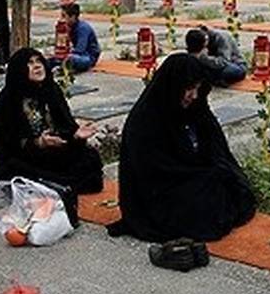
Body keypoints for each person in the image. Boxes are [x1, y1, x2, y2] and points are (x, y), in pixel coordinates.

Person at [109, 53, 256, 242]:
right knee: (205, 204)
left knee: (233, 185)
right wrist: (200, 174)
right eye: (189, 89)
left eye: (197, 88)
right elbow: (154, 172)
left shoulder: (196, 107)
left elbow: (216, 148)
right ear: (173, 86)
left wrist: (214, 169)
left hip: (193, 174)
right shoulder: (146, 120)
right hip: (162, 190)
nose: (194, 96)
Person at [0, 47, 104, 193]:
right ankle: (55, 184)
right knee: (19, 171)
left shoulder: (52, 90)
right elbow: (6, 144)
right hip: (23, 156)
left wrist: (75, 135)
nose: (37, 66)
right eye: (30, 63)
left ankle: (57, 183)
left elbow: (65, 126)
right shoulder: (7, 101)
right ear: (19, 70)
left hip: (50, 151)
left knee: (90, 157)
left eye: (39, 61)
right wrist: (38, 142)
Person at [49, 3, 101, 73]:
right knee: (50, 59)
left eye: (64, 16)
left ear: (72, 17)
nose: (61, 19)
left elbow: (80, 49)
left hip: (87, 56)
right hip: (74, 54)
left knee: (71, 59)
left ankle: (65, 66)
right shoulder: (68, 26)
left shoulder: (82, 28)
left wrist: (66, 54)